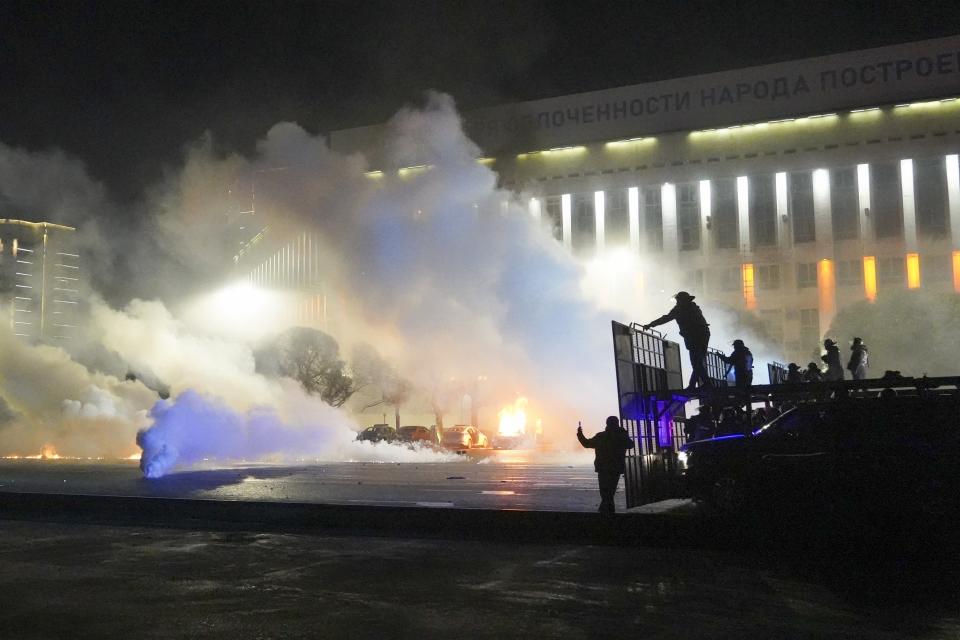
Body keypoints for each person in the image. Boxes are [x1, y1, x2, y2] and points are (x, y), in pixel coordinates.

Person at [642, 291, 712, 390]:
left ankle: (703, 384)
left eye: (678, 300)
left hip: (695, 337)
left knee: (695, 362)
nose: (677, 302)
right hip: (703, 334)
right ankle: (697, 384)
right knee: (697, 362)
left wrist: (650, 325)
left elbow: (665, 318)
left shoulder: (680, 309)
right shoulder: (693, 307)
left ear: (681, 300)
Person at [577, 416, 634, 515]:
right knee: (610, 492)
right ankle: (608, 512)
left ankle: (606, 513)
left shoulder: (601, 436)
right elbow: (630, 445)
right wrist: (623, 433)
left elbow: (586, 443)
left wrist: (580, 434)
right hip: (615, 468)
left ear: (607, 424)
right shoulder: (621, 437)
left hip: (603, 468)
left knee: (605, 493)